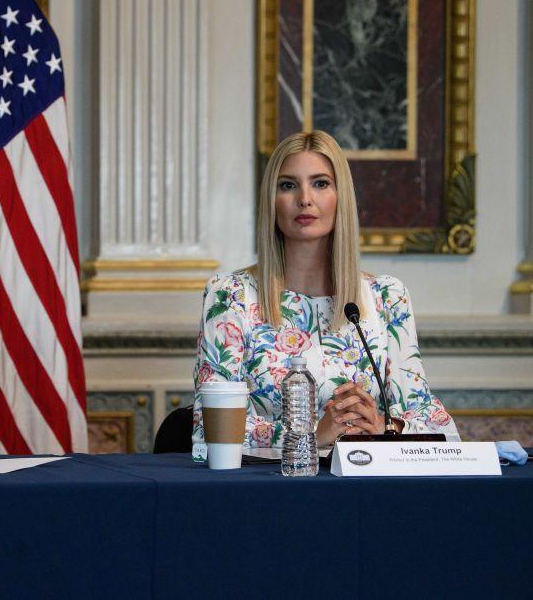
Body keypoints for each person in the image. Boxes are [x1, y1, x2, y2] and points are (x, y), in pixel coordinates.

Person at [192, 131, 459, 448]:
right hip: (269, 487)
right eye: (288, 185)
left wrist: (386, 427)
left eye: (320, 183)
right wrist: (312, 436)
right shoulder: (230, 296)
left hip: (364, 486)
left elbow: (439, 427)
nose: (305, 198)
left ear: (340, 197)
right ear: (271, 200)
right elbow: (209, 431)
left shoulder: (387, 298)